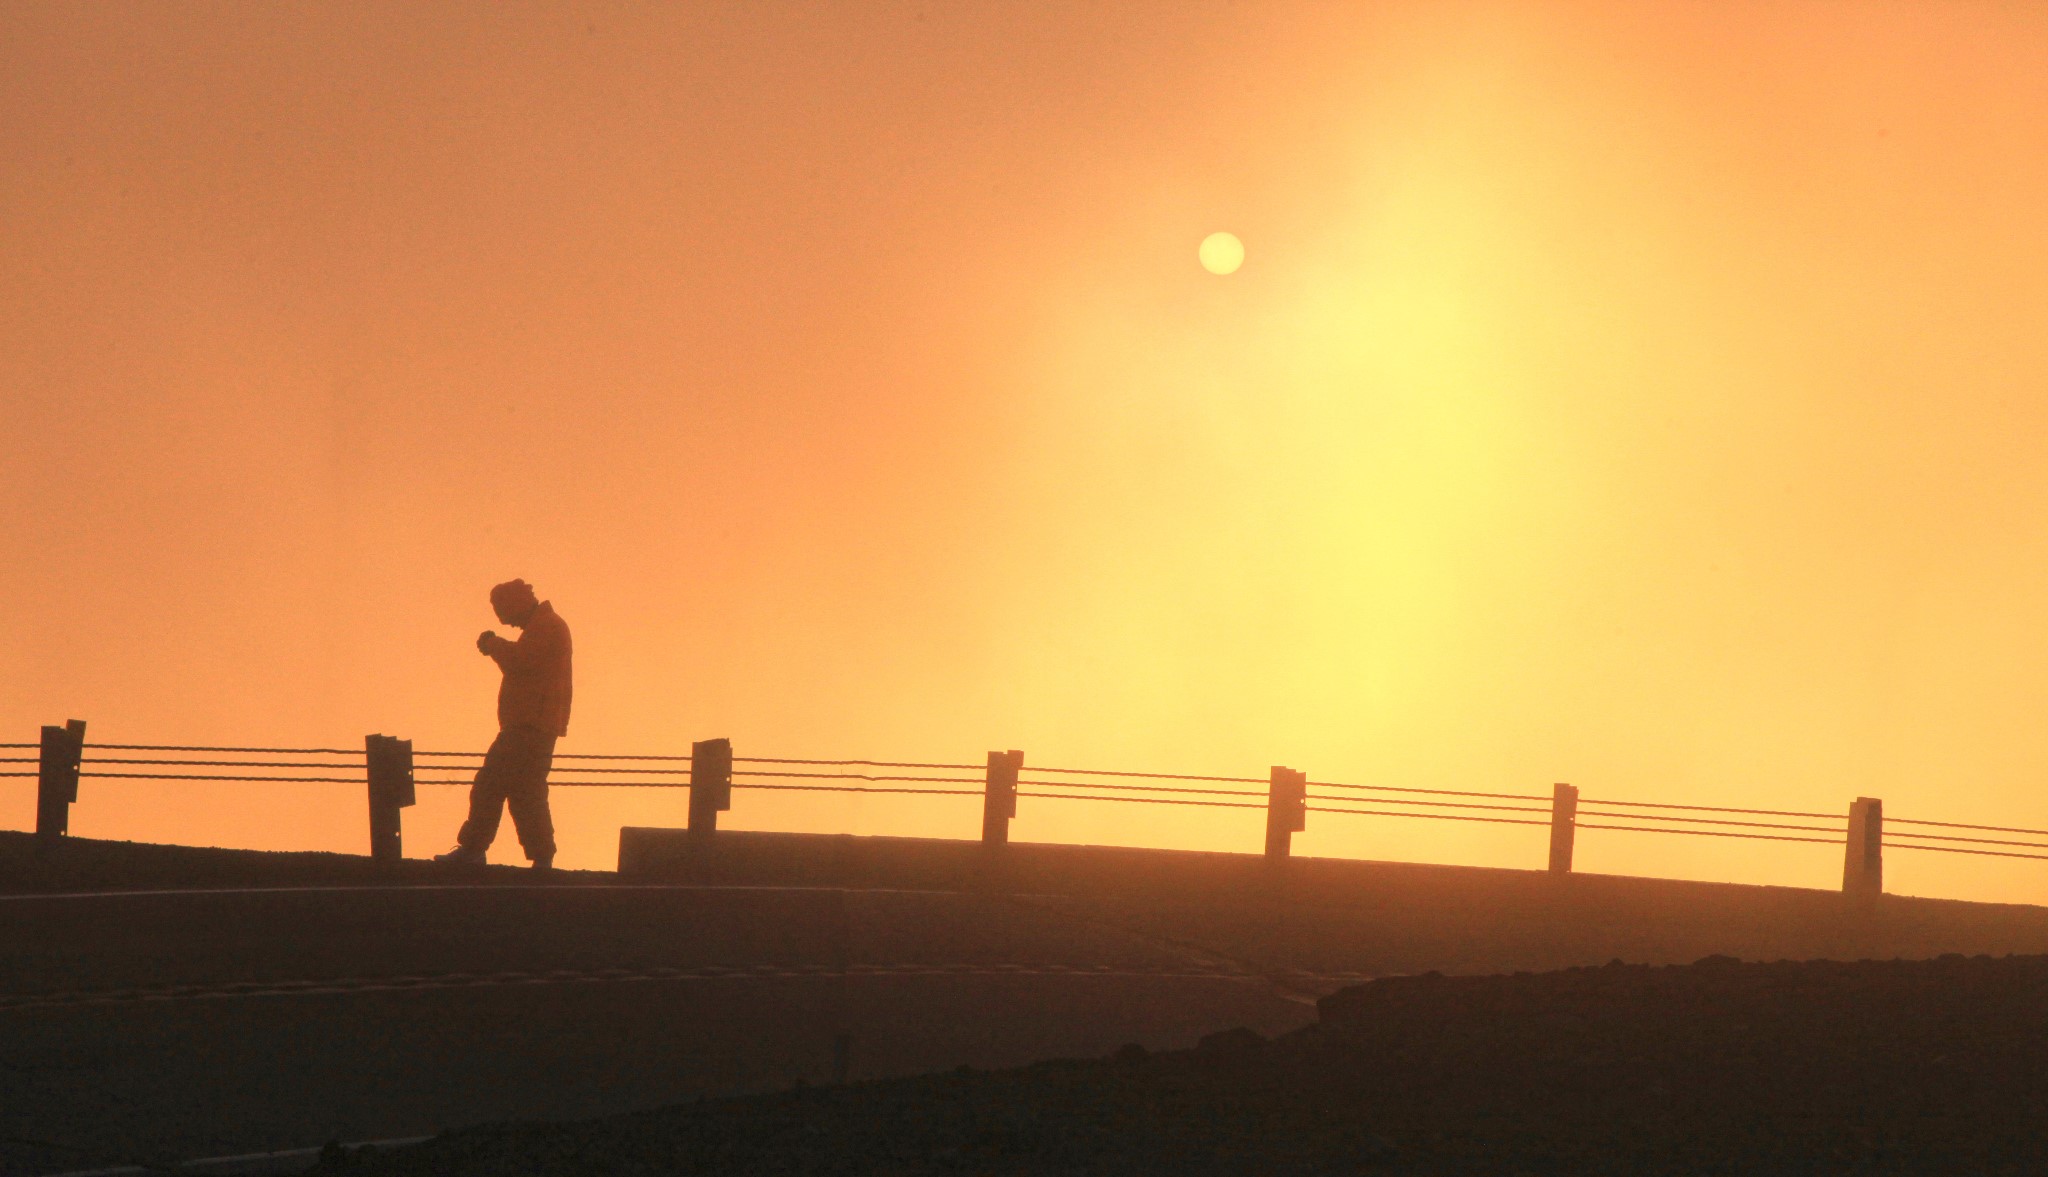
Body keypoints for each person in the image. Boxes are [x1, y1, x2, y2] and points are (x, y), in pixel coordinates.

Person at [436, 579, 572, 870]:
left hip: (528, 726)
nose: (503, 618)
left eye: (503, 609)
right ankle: (542, 857)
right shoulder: (545, 626)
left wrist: (492, 644)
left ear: (515, 604)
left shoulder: (546, 626)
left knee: (490, 785)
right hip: (537, 725)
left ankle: (474, 849)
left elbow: (520, 661)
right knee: (527, 792)